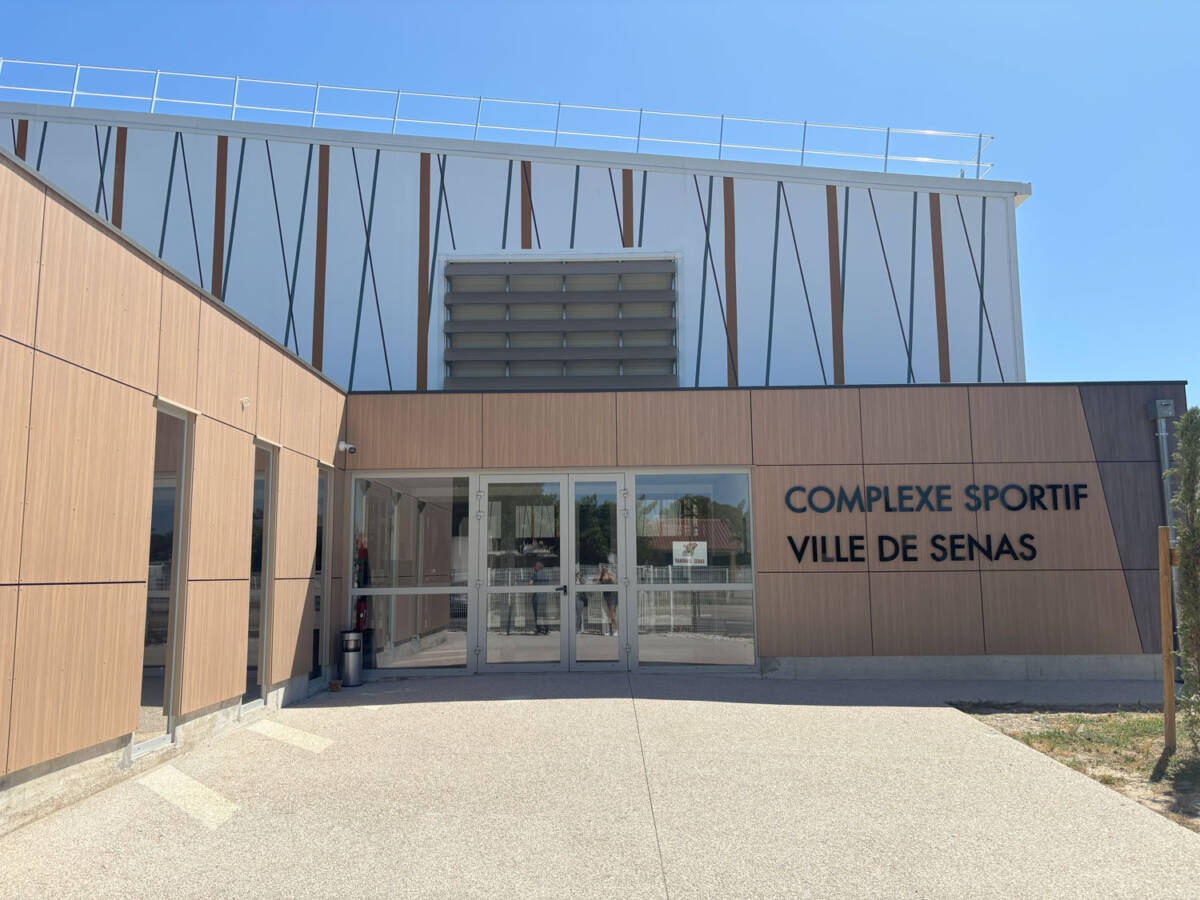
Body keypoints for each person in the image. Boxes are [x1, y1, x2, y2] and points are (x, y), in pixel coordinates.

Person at [596, 564, 618, 637]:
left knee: (612, 614)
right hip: (606, 597)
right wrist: (600, 573)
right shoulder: (601, 576)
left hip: (612, 596)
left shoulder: (610, 575)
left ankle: (616, 630)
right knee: (608, 614)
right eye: (603, 569)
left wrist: (607, 574)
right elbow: (595, 580)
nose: (604, 570)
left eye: (605, 569)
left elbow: (614, 582)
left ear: (607, 570)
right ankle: (610, 630)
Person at [528, 560, 549, 635]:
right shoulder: (545, 575)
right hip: (544, 597)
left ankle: (539, 629)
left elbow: (530, 583)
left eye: (535, 566)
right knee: (544, 613)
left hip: (537, 597)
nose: (534, 567)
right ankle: (546, 629)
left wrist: (529, 593)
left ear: (538, 567)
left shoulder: (535, 575)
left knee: (537, 614)